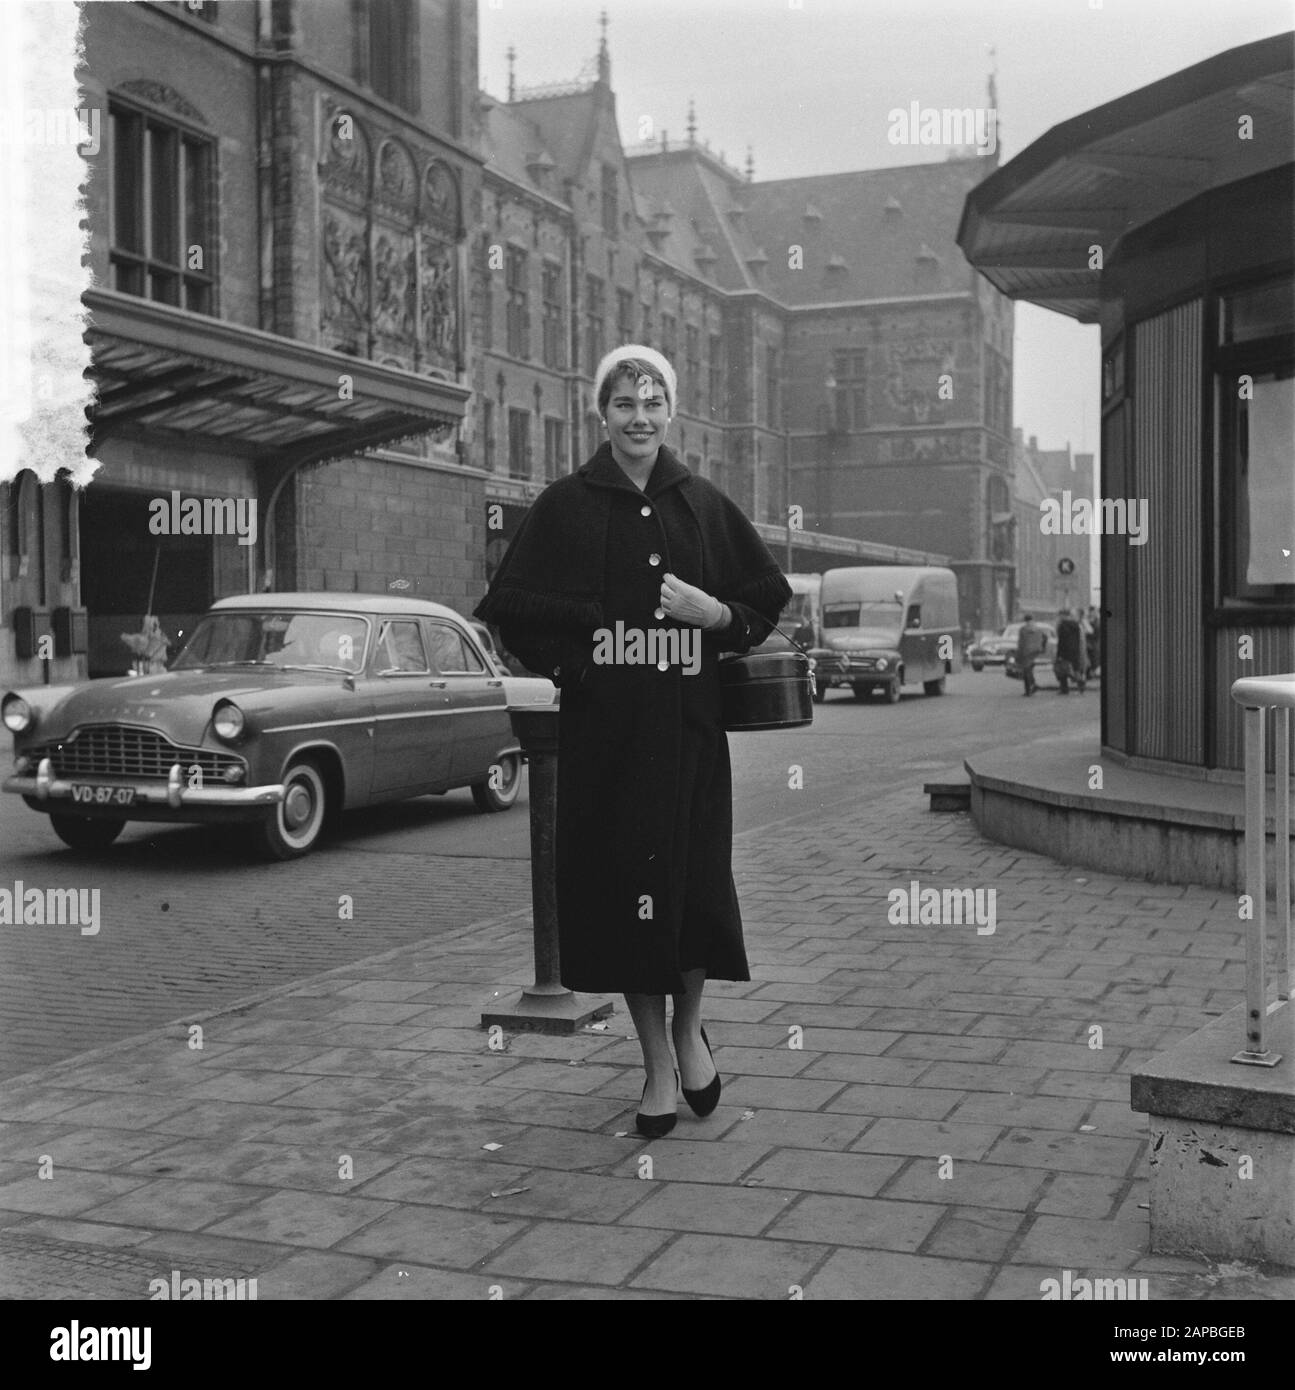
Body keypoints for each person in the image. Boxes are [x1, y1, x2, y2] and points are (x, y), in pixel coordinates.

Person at [475, 344, 791, 1138]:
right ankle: (654, 1063)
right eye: (623, 404)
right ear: (602, 415)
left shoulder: (703, 504)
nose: (639, 417)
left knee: (690, 893)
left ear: (669, 412)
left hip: (689, 736)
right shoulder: (565, 505)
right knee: (627, 904)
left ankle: (689, 1032)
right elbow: (512, 611)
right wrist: (573, 669)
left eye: (652, 403)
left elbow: (763, 602)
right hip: (606, 742)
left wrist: (711, 615)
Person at [1054, 608, 1087, 694]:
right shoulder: (1076, 625)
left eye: (1059, 615)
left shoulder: (1062, 625)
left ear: (1062, 615)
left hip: (1065, 651)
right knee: (1075, 668)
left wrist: (1059, 654)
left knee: (1061, 670)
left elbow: (1062, 641)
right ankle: (1080, 682)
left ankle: (1064, 689)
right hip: (1075, 651)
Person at [1015, 613, 1045, 696]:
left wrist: (1018, 654)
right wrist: (1041, 647)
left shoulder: (1023, 629)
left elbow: (1021, 642)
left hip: (1026, 651)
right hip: (1035, 651)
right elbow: (1044, 638)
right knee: (1029, 669)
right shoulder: (1038, 629)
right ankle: (1032, 686)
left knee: (1026, 671)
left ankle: (1029, 689)